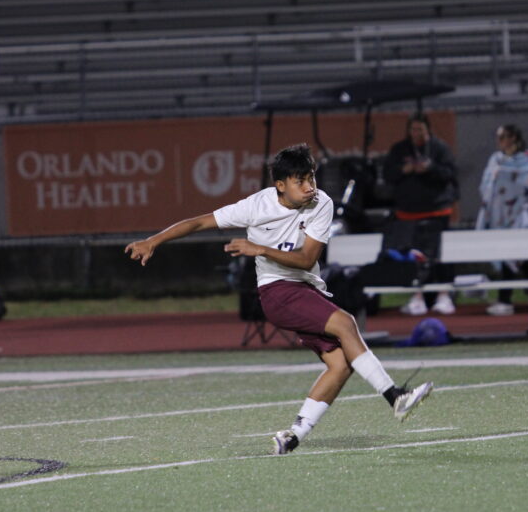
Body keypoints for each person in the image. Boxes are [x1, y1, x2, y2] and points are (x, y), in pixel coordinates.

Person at [125, 143, 433, 455]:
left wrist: (259, 249)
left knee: (340, 364)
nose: (309, 186)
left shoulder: (321, 203)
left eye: (311, 178)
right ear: (280, 186)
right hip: (277, 291)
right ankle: (395, 397)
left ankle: (294, 434)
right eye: (300, 181)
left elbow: (305, 258)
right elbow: (200, 222)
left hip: (305, 288)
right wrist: (154, 240)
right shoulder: (256, 206)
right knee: (346, 323)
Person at [382, 112, 459, 316]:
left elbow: (450, 174)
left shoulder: (440, 148)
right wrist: (405, 169)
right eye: (413, 129)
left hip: (437, 211)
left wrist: (430, 168)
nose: (416, 133)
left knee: (439, 256)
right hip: (408, 214)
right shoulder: (399, 150)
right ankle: (417, 297)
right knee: (413, 256)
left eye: (420, 130)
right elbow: (388, 174)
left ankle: (444, 296)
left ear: (428, 130)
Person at [476, 123, 528, 315]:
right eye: (498, 138)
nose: (500, 142)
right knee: (513, 257)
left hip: (521, 217)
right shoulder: (496, 160)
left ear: (514, 138)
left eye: (503, 137)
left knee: (519, 255)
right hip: (500, 217)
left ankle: (508, 299)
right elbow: (487, 185)